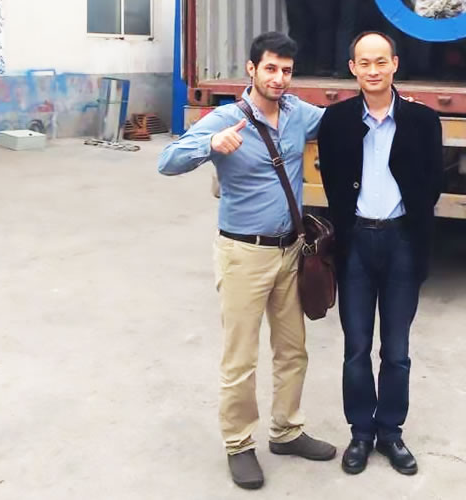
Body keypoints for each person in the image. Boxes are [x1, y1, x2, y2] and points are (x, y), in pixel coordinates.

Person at [157, 32, 336, 490]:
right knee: (241, 358)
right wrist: (210, 145)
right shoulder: (225, 118)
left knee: (293, 349)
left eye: (286, 70)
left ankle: (287, 430)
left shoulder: (298, 114)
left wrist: (391, 102)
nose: (279, 78)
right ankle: (238, 444)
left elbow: (341, 123)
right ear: (252, 70)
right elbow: (167, 160)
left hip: (290, 251)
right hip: (243, 255)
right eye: (270, 68)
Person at [316, 31, 444, 476]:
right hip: (355, 243)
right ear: (353, 68)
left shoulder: (423, 121)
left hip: (402, 242)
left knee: (397, 349)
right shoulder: (336, 121)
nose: (373, 70)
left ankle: (390, 431)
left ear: (394, 65)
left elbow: (433, 184)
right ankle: (360, 433)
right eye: (364, 63)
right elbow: (333, 182)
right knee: (356, 347)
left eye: (380, 62)